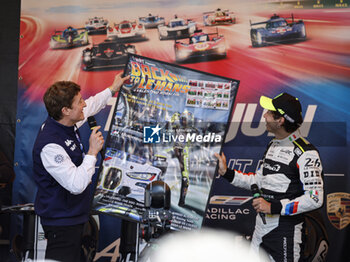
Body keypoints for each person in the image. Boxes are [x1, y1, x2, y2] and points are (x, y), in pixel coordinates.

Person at [215, 93, 324, 261]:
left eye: (269, 112)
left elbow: (315, 198)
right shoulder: (273, 144)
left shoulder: (306, 154)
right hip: (260, 230)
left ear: (280, 120)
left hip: (286, 233)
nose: (264, 115)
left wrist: (274, 207)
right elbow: (258, 181)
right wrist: (226, 172)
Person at [32, 73, 129, 262]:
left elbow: (93, 104)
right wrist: (92, 152)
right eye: (79, 101)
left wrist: (112, 88)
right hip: (61, 223)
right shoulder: (51, 145)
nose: (84, 104)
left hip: (74, 217)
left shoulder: (65, 122)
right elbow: (76, 184)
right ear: (66, 110)